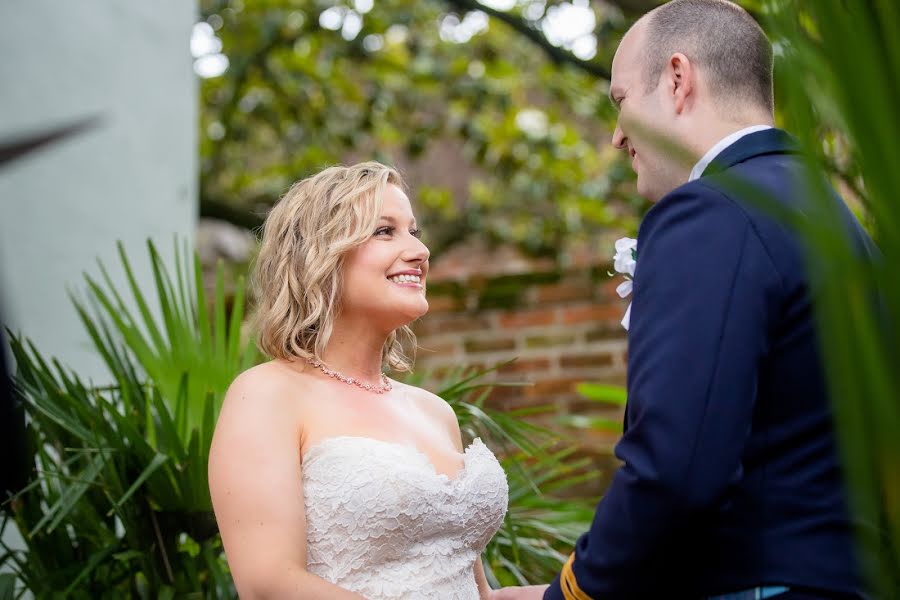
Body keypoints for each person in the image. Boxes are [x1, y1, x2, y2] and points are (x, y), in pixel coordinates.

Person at [504, 1, 874, 598]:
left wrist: (572, 592)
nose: (617, 134)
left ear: (678, 79)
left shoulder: (711, 211)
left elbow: (677, 468)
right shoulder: (833, 218)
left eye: (621, 101)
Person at [208, 162, 509, 599]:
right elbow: (269, 584)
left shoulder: (434, 411)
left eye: (415, 232)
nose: (420, 251)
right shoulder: (267, 395)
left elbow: (473, 589)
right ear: (319, 255)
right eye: (385, 231)